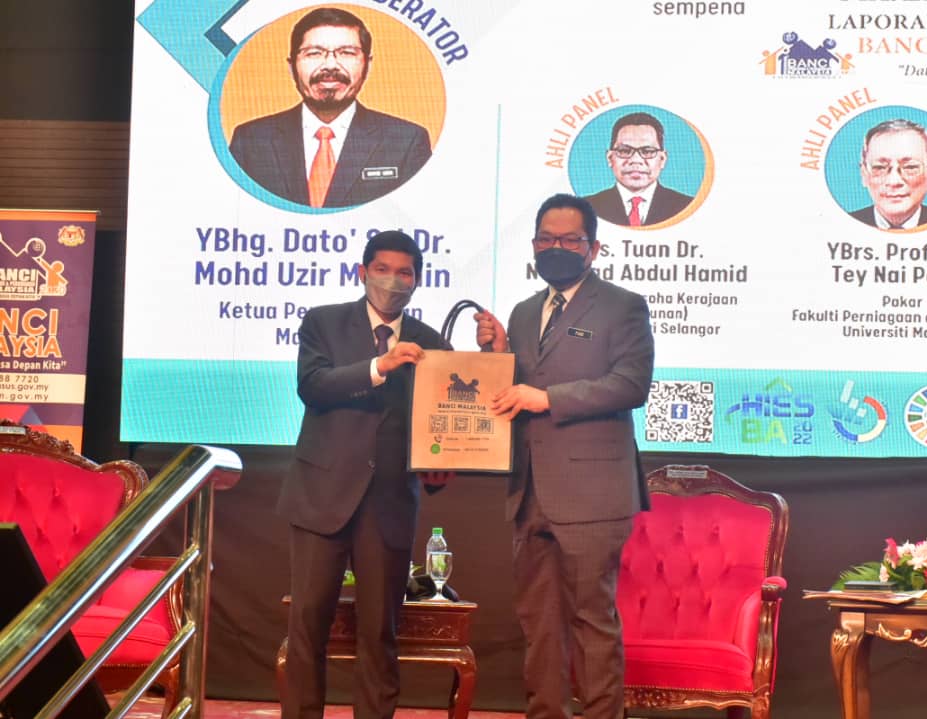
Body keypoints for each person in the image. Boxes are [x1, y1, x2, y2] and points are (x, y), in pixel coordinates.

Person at [474, 194, 655, 719]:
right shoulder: (524, 312)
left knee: (591, 621)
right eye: (546, 239)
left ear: (593, 248)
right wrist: (497, 356)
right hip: (529, 491)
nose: (556, 248)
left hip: (593, 496)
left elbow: (631, 384)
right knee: (539, 625)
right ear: (534, 245)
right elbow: (519, 388)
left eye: (570, 240)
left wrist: (548, 399)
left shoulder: (623, 306)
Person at [279, 230, 450, 719]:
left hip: (390, 502)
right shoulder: (323, 322)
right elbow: (313, 385)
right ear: (362, 272)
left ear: (417, 281)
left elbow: (446, 415)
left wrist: (441, 462)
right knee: (308, 625)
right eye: (382, 269)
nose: (392, 281)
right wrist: (380, 365)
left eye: (404, 273)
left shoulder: (431, 342)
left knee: (379, 631)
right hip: (321, 495)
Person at [229, 7, 432, 208]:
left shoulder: (407, 141)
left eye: (347, 53)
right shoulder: (250, 141)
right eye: (314, 53)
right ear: (292, 67)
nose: (330, 65)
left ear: (367, 65)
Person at [583, 112, 693, 227]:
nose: (636, 160)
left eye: (648, 151)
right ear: (610, 158)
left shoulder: (687, 206)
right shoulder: (585, 208)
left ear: (662, 159)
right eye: (624, 151)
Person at [849, 118, 927, 230]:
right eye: (879, 167)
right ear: (864, 174)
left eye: (910, 167)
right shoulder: (842, 225)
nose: (894, 181)